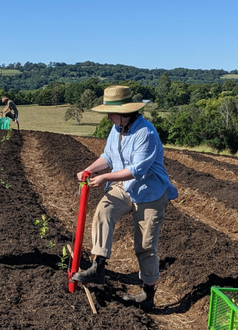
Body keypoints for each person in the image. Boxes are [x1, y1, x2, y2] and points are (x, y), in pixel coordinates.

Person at [71, 85, 178, 310]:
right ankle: (98, 266)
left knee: (145, 246)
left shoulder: (145, 133)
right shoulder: (117, 129)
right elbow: (108, 157)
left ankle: (148, 293)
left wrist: (104, 178)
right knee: (104, 210)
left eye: (111, 113)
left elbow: (137, 171)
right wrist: (89, 170)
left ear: (125, 113)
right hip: (124, 187)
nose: (108, 117)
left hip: (149, 192)